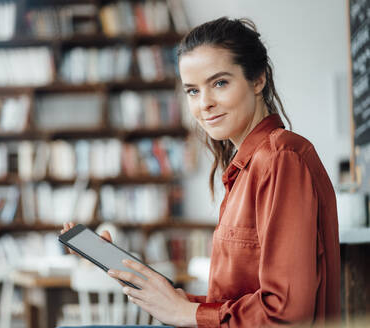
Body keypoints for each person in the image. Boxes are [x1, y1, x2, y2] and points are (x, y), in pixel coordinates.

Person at [61, 17, 340, 327]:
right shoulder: (246, 167)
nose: (204, 103)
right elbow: (232, 304)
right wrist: (136, 277)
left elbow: (287, 312)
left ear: (258, 79)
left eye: (219, 83)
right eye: (192, 91)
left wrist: (186, 313)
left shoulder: (281, 159)